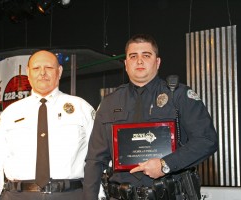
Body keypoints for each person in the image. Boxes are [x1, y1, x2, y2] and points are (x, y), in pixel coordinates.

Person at [83, 34, 218, 200]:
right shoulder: (109, 103)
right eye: (133, 56)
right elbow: (95, 159)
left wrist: (165, 165)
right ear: (126, 64)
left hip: (169, 194)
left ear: (158, 62)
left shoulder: (179, 96)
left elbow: (206, 140)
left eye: (146, 55)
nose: (139, 61)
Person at [0, 50, 96, 200]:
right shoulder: (11, 113)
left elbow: (97, 158)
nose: (42, 73)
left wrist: (98, 195)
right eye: (36, 68)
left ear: (59, 72)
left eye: (49, 68)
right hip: (18, 196)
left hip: (70, 195)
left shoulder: (81, 108)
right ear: (28, 73)